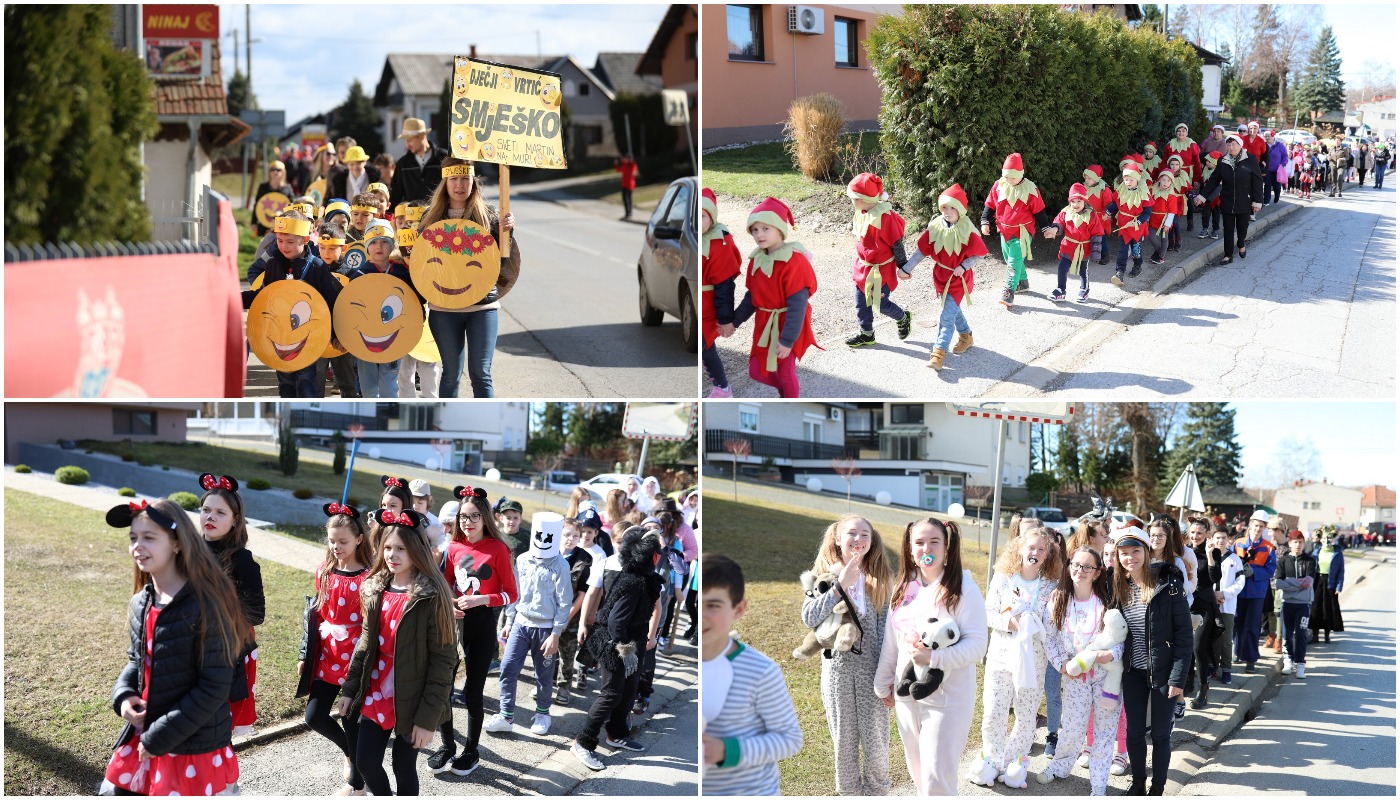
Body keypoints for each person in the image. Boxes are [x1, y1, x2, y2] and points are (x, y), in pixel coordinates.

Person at [103, 498, 247, 796]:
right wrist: (124, 696)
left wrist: (158, 737)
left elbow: (213, 688)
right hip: (145, 739)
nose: (137, 546)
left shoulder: (206, 605)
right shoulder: (140, 602)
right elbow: (135, 662)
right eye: (133, 538)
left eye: (149, 538)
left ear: (178, 543)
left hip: (189, 748)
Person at [334, 509, 455, 797]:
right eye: (387, 547)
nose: (392, 554)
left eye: (401, 548)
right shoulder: (376, 589)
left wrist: (426, 721)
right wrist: (350, 689)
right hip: (377, 691)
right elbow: (365, 644)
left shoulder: (431, 595)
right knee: (364, 763)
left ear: (416, 550)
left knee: (403, 767)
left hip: (413, 698)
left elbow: (443, 662)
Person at [875, 518, 987, 795]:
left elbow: (977, 646)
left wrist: (933, 660)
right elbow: (892, 640)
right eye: (919, 542)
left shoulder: (963, 588)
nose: (927, 548)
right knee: (919, 774)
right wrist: (884, 681)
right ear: (910, 549)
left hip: (947, 700)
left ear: (946, 546)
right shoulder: (903, 588)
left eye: (934, 541)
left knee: (937, 778)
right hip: (907, 695)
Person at [800, 514, 896, 795]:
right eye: (852, 533)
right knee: (844, 742)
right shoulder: (821, 576)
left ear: (872, 541)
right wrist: (839, 586)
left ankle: (877, 792)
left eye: (865, 534)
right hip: (837, 673)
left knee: (876, 742)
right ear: (837, 539)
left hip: (872, 672)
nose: (859, 539)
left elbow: (886, 630)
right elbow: (809, 617)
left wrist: (886, 676)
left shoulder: (882, 579)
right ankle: (850, 793)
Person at [430, 486, 517, 777]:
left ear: (485, 518)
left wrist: (482, 599)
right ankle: (447, 746)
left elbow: (511, 594)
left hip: (482, 624)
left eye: (474, 516)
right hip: (453, 621)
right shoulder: (453, 547)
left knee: (472, 693)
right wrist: (450, 603)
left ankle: (472, 750)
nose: (467, 522)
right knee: (443, 684)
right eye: (463, 517)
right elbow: (444, 585)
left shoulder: (498, 548)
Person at [415, 157, 520, 398]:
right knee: (451, 374)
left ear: (473, 182)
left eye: (465, 178)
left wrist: (507, 232)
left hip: (482, 306)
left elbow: (498, 264)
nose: (459, 185)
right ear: (445, 182)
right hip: (444, 309)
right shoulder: (430, 219)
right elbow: (425, 266)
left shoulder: (489, 216)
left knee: (481, 374)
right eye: (454, 179)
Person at [969, 527, 1062, 789]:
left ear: (1047, 555)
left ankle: (1014, 762)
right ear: (1020, 548)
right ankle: (992, 760)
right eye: (1031, 547)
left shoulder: (1051, 586)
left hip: (1033, 661)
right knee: (993, 710)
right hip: (1000, 656)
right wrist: (1008, 622)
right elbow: (987, 613)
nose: (1035, 553)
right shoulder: (1003, 578)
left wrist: (1042, 618)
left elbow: (1051, 628)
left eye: (1041, 549)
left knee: (1026, 713)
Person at [577, 530, 670, 772]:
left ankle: (617, 733)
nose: (659, 556)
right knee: (611, 694)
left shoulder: (644, 579)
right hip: (615, 644)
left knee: (629, 690)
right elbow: (615, 622)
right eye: (656, 553)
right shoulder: (633, 583)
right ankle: (583, 743)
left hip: (633, 642)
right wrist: (627, 651)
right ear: (649, 557)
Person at [1109, 528, 1192, 797]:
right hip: (1133, 672)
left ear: (1146, 552)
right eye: (1123, 553)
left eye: (1135, 551)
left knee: (1160, 735)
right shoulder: (1119, 587)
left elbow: (1184, 635)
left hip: (1165, 673)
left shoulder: (1168, 586)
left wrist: (1178, 680)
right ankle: (1138, 783)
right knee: (1134, 732)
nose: (1130, 557)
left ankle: (1157, 789)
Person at [298, 503, 373, 797]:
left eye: (343, 541)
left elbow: (371, 626)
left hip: (353, 658)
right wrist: (305, 654)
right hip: (326, 656)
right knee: (314, 716)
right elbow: (314, 614)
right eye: (332, 541)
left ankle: (356, 784)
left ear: (358, 539)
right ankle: (351, 754)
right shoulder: (325, 571)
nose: (336, 546)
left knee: (350, 720)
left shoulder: (368, 578)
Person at [1035, 546, 1122, 796]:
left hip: (1106, 677)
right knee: (1072, 727)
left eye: (1087, 567)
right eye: (1075, 564)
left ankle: (1098, 785)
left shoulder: (1107, 601)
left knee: (1105, 732)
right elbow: (1048, 638)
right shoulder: (1058, 600)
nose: (1080, 571)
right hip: (1075, 677)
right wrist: (1060, 663)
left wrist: (1111, 655)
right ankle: (1060, 767)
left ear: (1097, 573)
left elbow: (1120, 636)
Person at [485, 513, 573, 736]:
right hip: (521, 624)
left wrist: (556, 633)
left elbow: (565, 601)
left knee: (543, 674)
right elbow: (515, 592)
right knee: (508, 667)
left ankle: (543, 713)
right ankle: (506, 715)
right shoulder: (523, 559)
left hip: (545, 629)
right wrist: (509, 620)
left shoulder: (561, 565)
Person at [729, 197, 819, 398]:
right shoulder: (757, 260)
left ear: (780, 229)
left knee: (786, 372)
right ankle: (785, 393)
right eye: (755, 230)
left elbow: (798, 305)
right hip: (765, 323)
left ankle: (790, 403)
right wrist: (734, 322)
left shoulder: (795, 261)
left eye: (765, 228)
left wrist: (787, 340)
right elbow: (752, 297)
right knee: (756, 371)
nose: (759, 234)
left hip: (789, 323)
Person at [197, 473, 264, 738]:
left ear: (235, 519)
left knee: (218, 730)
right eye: (205, 510)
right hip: (191, 647)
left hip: (229, 652)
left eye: (220, 512)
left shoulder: (242, 561)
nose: (210, 517)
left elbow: (256, 614)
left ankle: (223, 779)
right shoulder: (188, 552)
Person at [902, 183, 989, 371]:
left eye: (951, 208)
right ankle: (966, 336)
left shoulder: (968, 229)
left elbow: (980, 253)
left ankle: (938, 354)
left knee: (946, 317)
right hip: (940, 276)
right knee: (953, 310)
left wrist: (964, 265)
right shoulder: (935, 226)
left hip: (959, 280)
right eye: (944, 208)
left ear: (960, 210)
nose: (947, 212)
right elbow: (922, 251)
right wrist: (907, 268)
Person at [347, 219, 418, 398]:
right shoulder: (358, 276)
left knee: (389, 385)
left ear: (391, 245)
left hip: (393, 336)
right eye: (374, 242)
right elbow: (351, 309)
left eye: (385, 242)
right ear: (367, 246)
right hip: (366, 338)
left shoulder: (401, 273)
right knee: (368, 387)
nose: (379, 247)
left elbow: (412, 304)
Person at [844, 172, 911, 348]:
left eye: (854, 198)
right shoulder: (862, 211)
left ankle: (903, 317)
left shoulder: (885, 217)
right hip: (863, 267)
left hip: (881, 270)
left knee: (880, 304)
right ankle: (866, 334)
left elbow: (896, 242)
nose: (852, 202)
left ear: (863, 198)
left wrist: (903, 266)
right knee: (861, 301)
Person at [980, 152, 1052, 307]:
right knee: (1009, 259)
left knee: (1013, 261)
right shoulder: (999, 185)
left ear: (1021, 174)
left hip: (1023, 233)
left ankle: (1009, 292)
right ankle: (1023, 283)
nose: (1008, 180)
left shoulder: (1031, 189)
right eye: (1006, 177)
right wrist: (985, 221)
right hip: (1004, 231)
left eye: (1012, 177)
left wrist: (1046, 227)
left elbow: (1039, 211)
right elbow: (990, 205)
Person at [1195, 135, 1263, 265]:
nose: (1230, 147)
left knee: (1242, 227)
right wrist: (1202, 196)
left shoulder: (1251, 160)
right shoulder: (1223, 161)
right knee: (1228, 228)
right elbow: (1214, 180)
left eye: (1233, 144)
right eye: (1229, 145)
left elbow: (1258, 182)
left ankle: (1241, 242)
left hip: (1245, 200)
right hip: (1227, 200)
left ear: (1240, 145)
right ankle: (1228, 255)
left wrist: (1257, 201)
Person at [702, 187, 741, 398]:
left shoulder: (719, 242)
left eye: (703, 216)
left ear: (712, 218)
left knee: (704, 346)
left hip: (708, 305)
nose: (698, 221)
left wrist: (726, 320)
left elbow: (725, 286)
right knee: (705, 348)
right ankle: (722, 386)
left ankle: (723, 388)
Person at [1043, 182, 1106, 303]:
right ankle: (1061, 290)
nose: (1075, 204)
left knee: (1083, 271)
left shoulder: (1091, 215)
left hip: (1084, 249)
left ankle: (1084, 289)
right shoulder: (1065, 212)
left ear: (1084, 201)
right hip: (1068, 246)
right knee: (1062, 268)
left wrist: (1096, 251)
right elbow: (1059, 223)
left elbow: (1097, 233)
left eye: (1079, 201)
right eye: (1073, 201)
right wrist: (1054, 230)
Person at [1232, 510, 1276, 674]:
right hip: (1238, 590)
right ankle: (1237, 651)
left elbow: (1270, 570)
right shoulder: (1238, 543)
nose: (1257, 529)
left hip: (1257, 593)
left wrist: (1254, 573)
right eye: (1256, 525)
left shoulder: (1269, 547)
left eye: (1261, 526)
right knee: (1237, 622)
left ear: (1264, 528)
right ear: (1250, 524)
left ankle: (1250, 659)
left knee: (1251, 626)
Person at [1206, 525, 1245, 686]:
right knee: (1209, 637)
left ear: (1228, 540)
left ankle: (1227, 670)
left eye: (1223, 538)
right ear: (1212, 540)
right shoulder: (1209, 557)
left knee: (1226, 639)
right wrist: (1212, 595)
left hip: (1227, 605)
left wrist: (1224, 594)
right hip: (1209, 603)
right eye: (1217, 538)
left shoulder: (1234, 559)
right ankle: (1210, 667)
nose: (1220, 541)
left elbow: (1240, 581)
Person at [1275, 531, 1317, 678]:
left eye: (1300, 542)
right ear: (1289, 543)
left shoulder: (1310, 560)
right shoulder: (1283, 560)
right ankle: (1288, 661)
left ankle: (1300, 664)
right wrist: (1298, 584)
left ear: (1304, 543)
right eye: (1295, 541)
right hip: (1287, 603)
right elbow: (1278, 583)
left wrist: (1289, 582)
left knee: (1301, 634)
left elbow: (1308, 582)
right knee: (1286, 634)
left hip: (1304, 604)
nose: (1297, 545)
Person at [1108, 155, 1152, 285]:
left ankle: (1137, 266)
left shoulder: (1143, 192)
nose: (1128, 182)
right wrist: (1108, 212)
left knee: (1135, 249)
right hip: (1124, 226)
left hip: (1137, 227)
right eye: (1126, 179)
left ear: (1137, 180)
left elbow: (1147, 212)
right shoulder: (1122, 190)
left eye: (1131, 179)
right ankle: (1119, 272)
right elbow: (1116, 204)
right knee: (1122, 249)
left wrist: (1138, 221)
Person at [391, 118, 450, 207]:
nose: (407, 144)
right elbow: (395, 196)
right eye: (406, 140)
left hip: (439, 217)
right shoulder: (402, 164)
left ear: (422, 136)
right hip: (411, 218)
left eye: (410, 140)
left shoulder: (444, 158)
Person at [1309, 528, 1345, 643]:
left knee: (1328, 609)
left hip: (1331, 583)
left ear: (1333, 538)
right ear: (1321, 539)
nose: (1327, 540)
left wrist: (1339, 586)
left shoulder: (1337, 553)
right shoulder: (1316, 551)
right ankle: (1315, 636)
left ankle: (1327, 635)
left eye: (1329, 538)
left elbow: (1341, 571)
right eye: (1324, 538)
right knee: (1315, 609)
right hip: (1317, 581)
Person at [1080, 165, 1117, 266]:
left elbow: (1109, 204)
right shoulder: (1083, 188)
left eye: (1089, 178)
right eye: (1085, 178)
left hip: (1101, 218)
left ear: (1096, 178)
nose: (1086, 180)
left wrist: (1108, 213)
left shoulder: (1104, 190)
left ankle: (1104, 255)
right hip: (1087, 217)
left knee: (1102, 239)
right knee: (1086, 236)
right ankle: (1087, 253)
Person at [252, 160, 293, 238]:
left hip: (282, 223)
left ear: (283, 172)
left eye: (278, 170)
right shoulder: (263, 187)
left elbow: (292, 206)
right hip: (265, 222)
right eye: (273, 169)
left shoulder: (287, 188)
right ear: (269, 172)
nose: (275, 172)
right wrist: (254, 222)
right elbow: (257, 204)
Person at [1264, 130, 1289, 205]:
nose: (1267, 138)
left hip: (1277, 170)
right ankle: (1266, 200)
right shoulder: (1264, 145)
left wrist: (1282, 164)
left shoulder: (1280, 145)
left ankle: (1277, 197)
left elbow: (1285, 156)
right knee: (1267, 185)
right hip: (1267, 169)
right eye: (1265, 136)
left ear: (1273, 136)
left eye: (1268, 136)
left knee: (1277, 186)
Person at [614, 154, 638, 218]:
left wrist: (627, 164)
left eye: (627, 158)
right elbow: (619, 170)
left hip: (630, 185)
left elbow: (632, 173)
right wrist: (616, 164)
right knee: (624, 199)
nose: (625, 160)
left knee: (628, 199)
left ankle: (629, 213)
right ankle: (627, 213)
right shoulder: (625, 164)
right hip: (624, 184)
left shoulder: (633, 165)